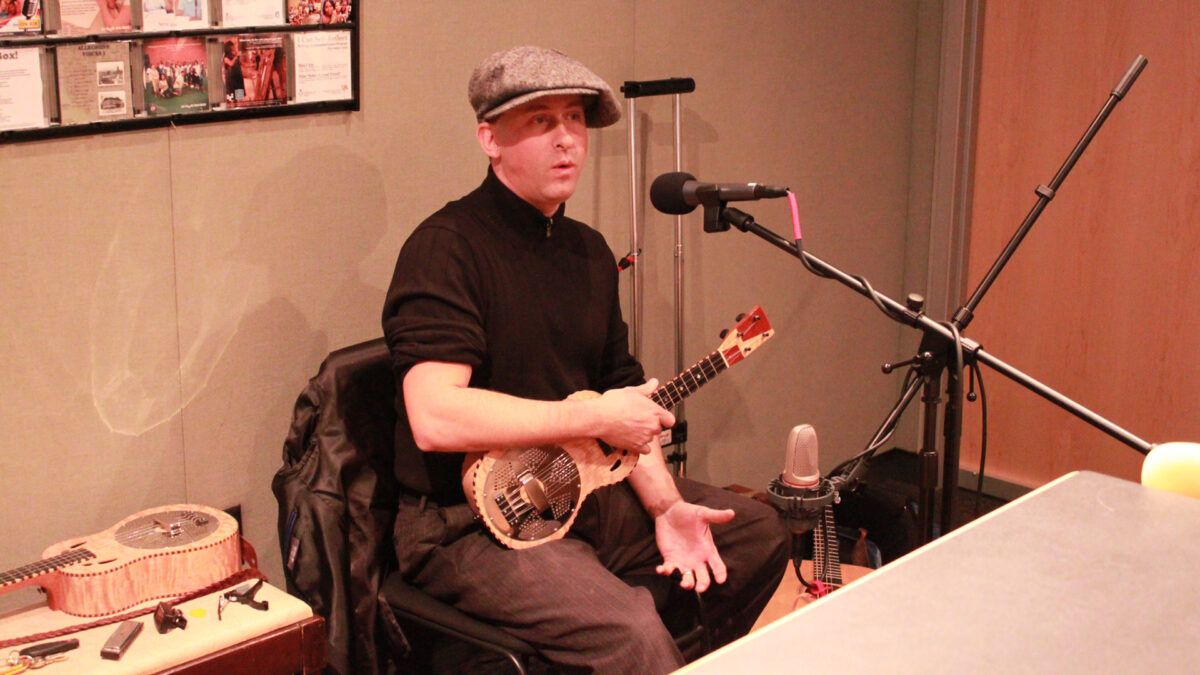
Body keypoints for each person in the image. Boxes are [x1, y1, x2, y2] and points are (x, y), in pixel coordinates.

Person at [382, 45, 787, 673]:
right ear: (489, 139)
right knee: (631, 631)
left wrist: (665, 507)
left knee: (759, 534)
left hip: (583, 489)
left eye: (575, 119)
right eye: (541, 121)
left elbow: (622, 390)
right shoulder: (446, 248)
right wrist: (593, 418)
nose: (566, 138)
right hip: (470, 522)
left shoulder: (589, 252)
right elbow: (435, 417)